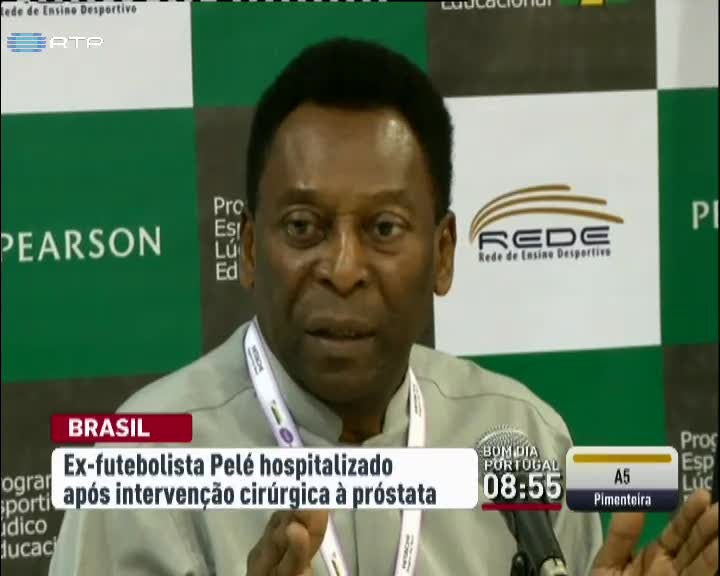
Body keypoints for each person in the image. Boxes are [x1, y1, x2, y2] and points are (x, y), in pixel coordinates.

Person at [50, 38, 718, 576]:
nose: (343, 269)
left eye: (384, 228)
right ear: (249, 249)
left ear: (444, 253)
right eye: (304, 227)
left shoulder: (522, 442)